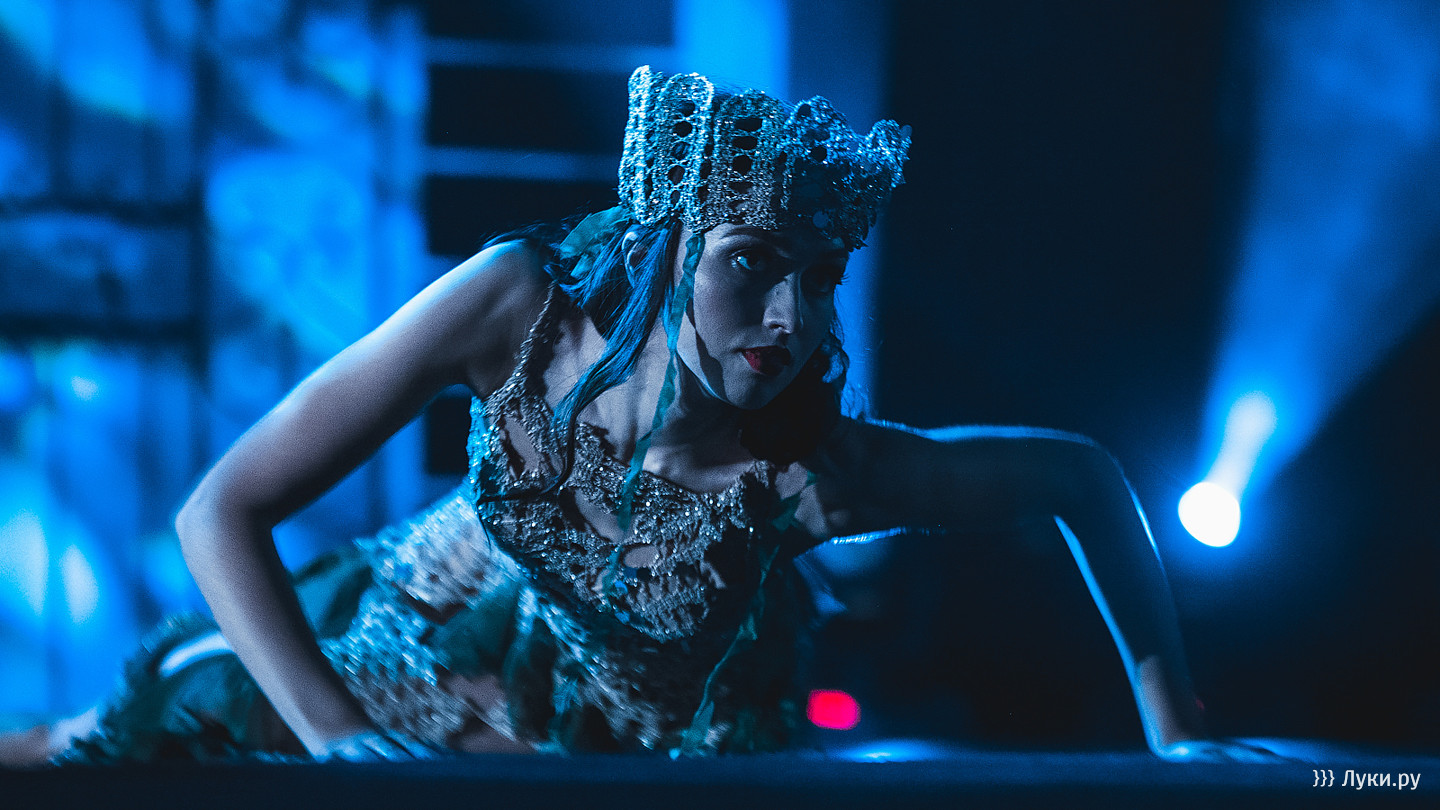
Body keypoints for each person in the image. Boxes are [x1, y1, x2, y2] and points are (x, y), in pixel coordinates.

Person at [16, 66, 1258, 764]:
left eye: (822, 279)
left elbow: (1082, 478)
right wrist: (338, 737)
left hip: (622, 740)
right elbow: (220, 509)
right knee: (115, 740)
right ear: (665, 250)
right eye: (752, 264)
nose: (793, 318)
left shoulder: (808, 473)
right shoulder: (517, 304)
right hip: (435, 613)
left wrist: (1178, 732)